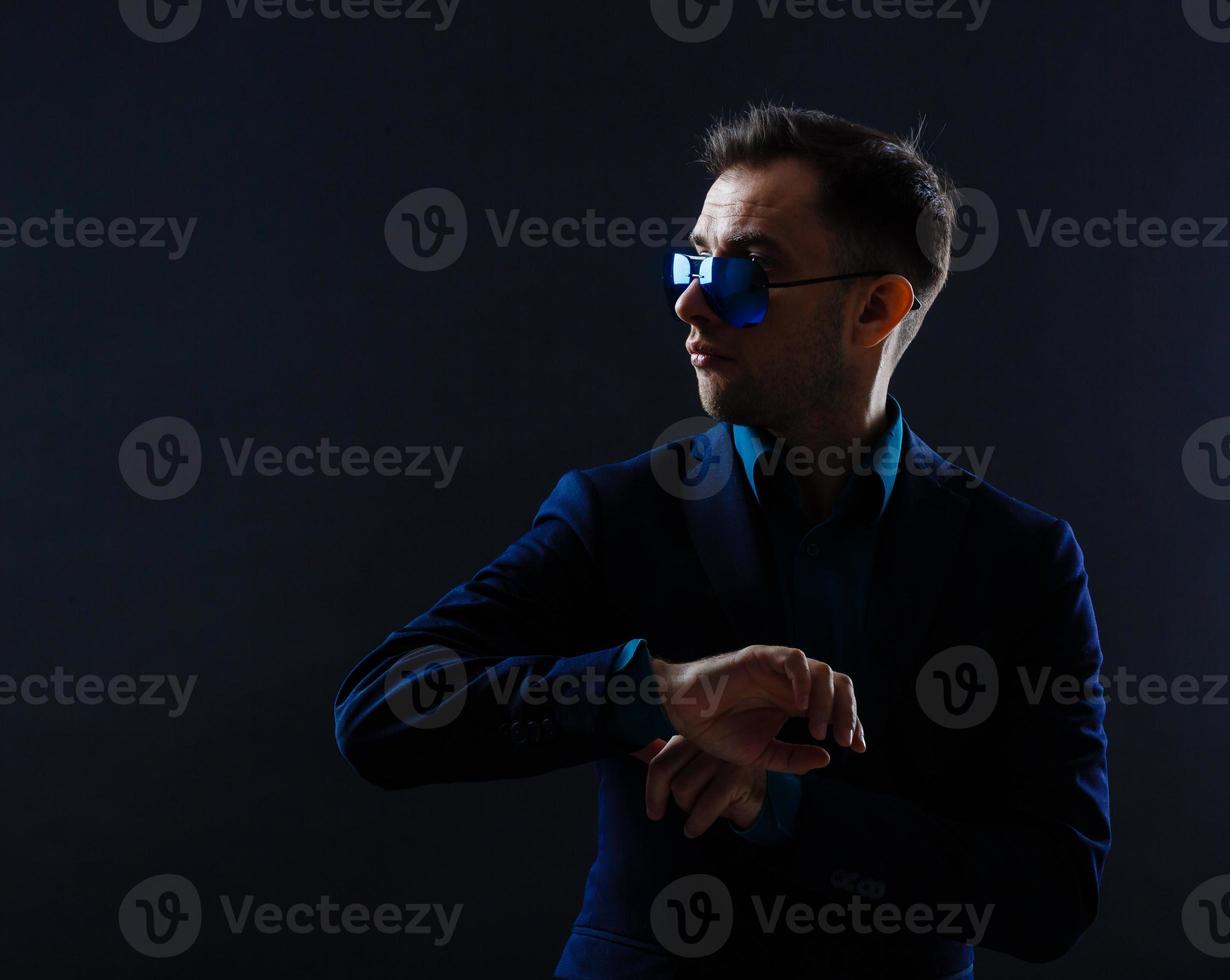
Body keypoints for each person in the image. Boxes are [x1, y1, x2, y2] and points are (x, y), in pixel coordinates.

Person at [334, 103, 1110, 979]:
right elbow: (379, 711)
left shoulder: (1021, 559)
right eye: (691, 261)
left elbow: (1055, 895)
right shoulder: (615, 513)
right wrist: (649, 689)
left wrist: (780, 806)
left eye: (744, 272)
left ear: (876, 308)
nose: (689, 300)